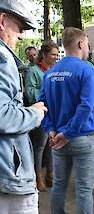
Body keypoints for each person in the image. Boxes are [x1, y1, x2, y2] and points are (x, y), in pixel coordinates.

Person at [39, 27, 94, 214]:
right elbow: (86, 106)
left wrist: (51, 130)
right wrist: (67, 133)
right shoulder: (86, 70)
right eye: (87, 43)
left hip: (57, 140)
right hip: (79, 139)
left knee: (59, 186)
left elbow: (42, 105)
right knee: (83, 191)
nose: (89, 48)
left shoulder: (50, 72)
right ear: (80, 44)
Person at [0, 0, 47, 214]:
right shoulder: (3, 58)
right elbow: (3, 116)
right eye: (19, 27)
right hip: (10, 175)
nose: (20, 36)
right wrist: (34, 113)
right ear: (2, 20)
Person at [25, 41, 59, 191]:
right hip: (40, 112)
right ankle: (37, 177)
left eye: (57, 55)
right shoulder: (33, 71)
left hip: (53, 113)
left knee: (51, 145)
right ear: (44, 55)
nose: (56, 58)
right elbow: (30, 91)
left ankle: (50, 175)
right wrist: (46, 96)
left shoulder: (54, 70)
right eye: (53, 55)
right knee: (39, 146)